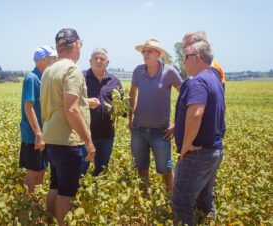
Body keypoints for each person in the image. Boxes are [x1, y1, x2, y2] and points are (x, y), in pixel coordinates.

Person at [40, 28, 96, 225]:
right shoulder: (72, 69)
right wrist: (88, 142)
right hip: (68, 141)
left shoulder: (49, 69)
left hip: (52, 139)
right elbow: (71, 110)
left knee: (54, 185)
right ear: (76, 45)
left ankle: (48, 220)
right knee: (67, 192)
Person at [172, 40, 225, 225]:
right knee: (204, 200)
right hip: (213, 151)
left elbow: (195, 113)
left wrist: (186, 146)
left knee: (181, 203)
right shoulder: (215, 79)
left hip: (198, 154)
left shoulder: (199, 81)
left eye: (185, 57)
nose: (184, 62)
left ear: (197, 57)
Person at [129, 39, 183, 192]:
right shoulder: (138, 71)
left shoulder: (170, 72)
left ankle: (170, 197)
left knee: (165, 168)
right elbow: (132, 95)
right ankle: (144, 196)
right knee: (141, 166)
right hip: (138, 130)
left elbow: (186, 96)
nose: (145, 54)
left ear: (159, 54)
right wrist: (131, 118)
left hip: (161, 132)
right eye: (144, 51)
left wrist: (177, 123)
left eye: (150, 51)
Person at [19, 45, 57, 193]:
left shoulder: (44, 78)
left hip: (44, 133)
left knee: (42, 169)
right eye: (52, 59)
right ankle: (28, 204)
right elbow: (28, 108)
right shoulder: (32, 78)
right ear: (43, 60)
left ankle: (36, 200)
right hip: (34, 135)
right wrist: (38, 134)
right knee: (34, 171)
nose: (54, 62)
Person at [81, 48, 123, 176]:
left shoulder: (115, 81)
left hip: (106, 134)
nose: (98, 61)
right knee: (80, 170)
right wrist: (87, 102)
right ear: (90, 61)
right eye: (95, 58)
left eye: (102, 59)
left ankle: (94, 193)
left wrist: (121, 109)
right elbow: (70, 102)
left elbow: (122, 108)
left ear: (107, 62)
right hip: (84, 134)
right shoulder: (81, 78)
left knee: (101, 170)